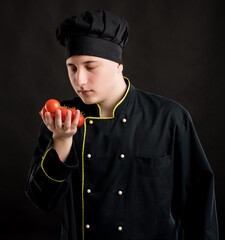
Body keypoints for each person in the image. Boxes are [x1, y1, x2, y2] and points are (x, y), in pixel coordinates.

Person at [25, 10, 219, 240]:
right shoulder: (61, 120)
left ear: (118, 65)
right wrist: (62, 140)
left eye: (90, 66)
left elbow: (199, 202)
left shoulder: (169, 117)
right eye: (72, 68)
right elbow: (42, 200)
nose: (80, 80)